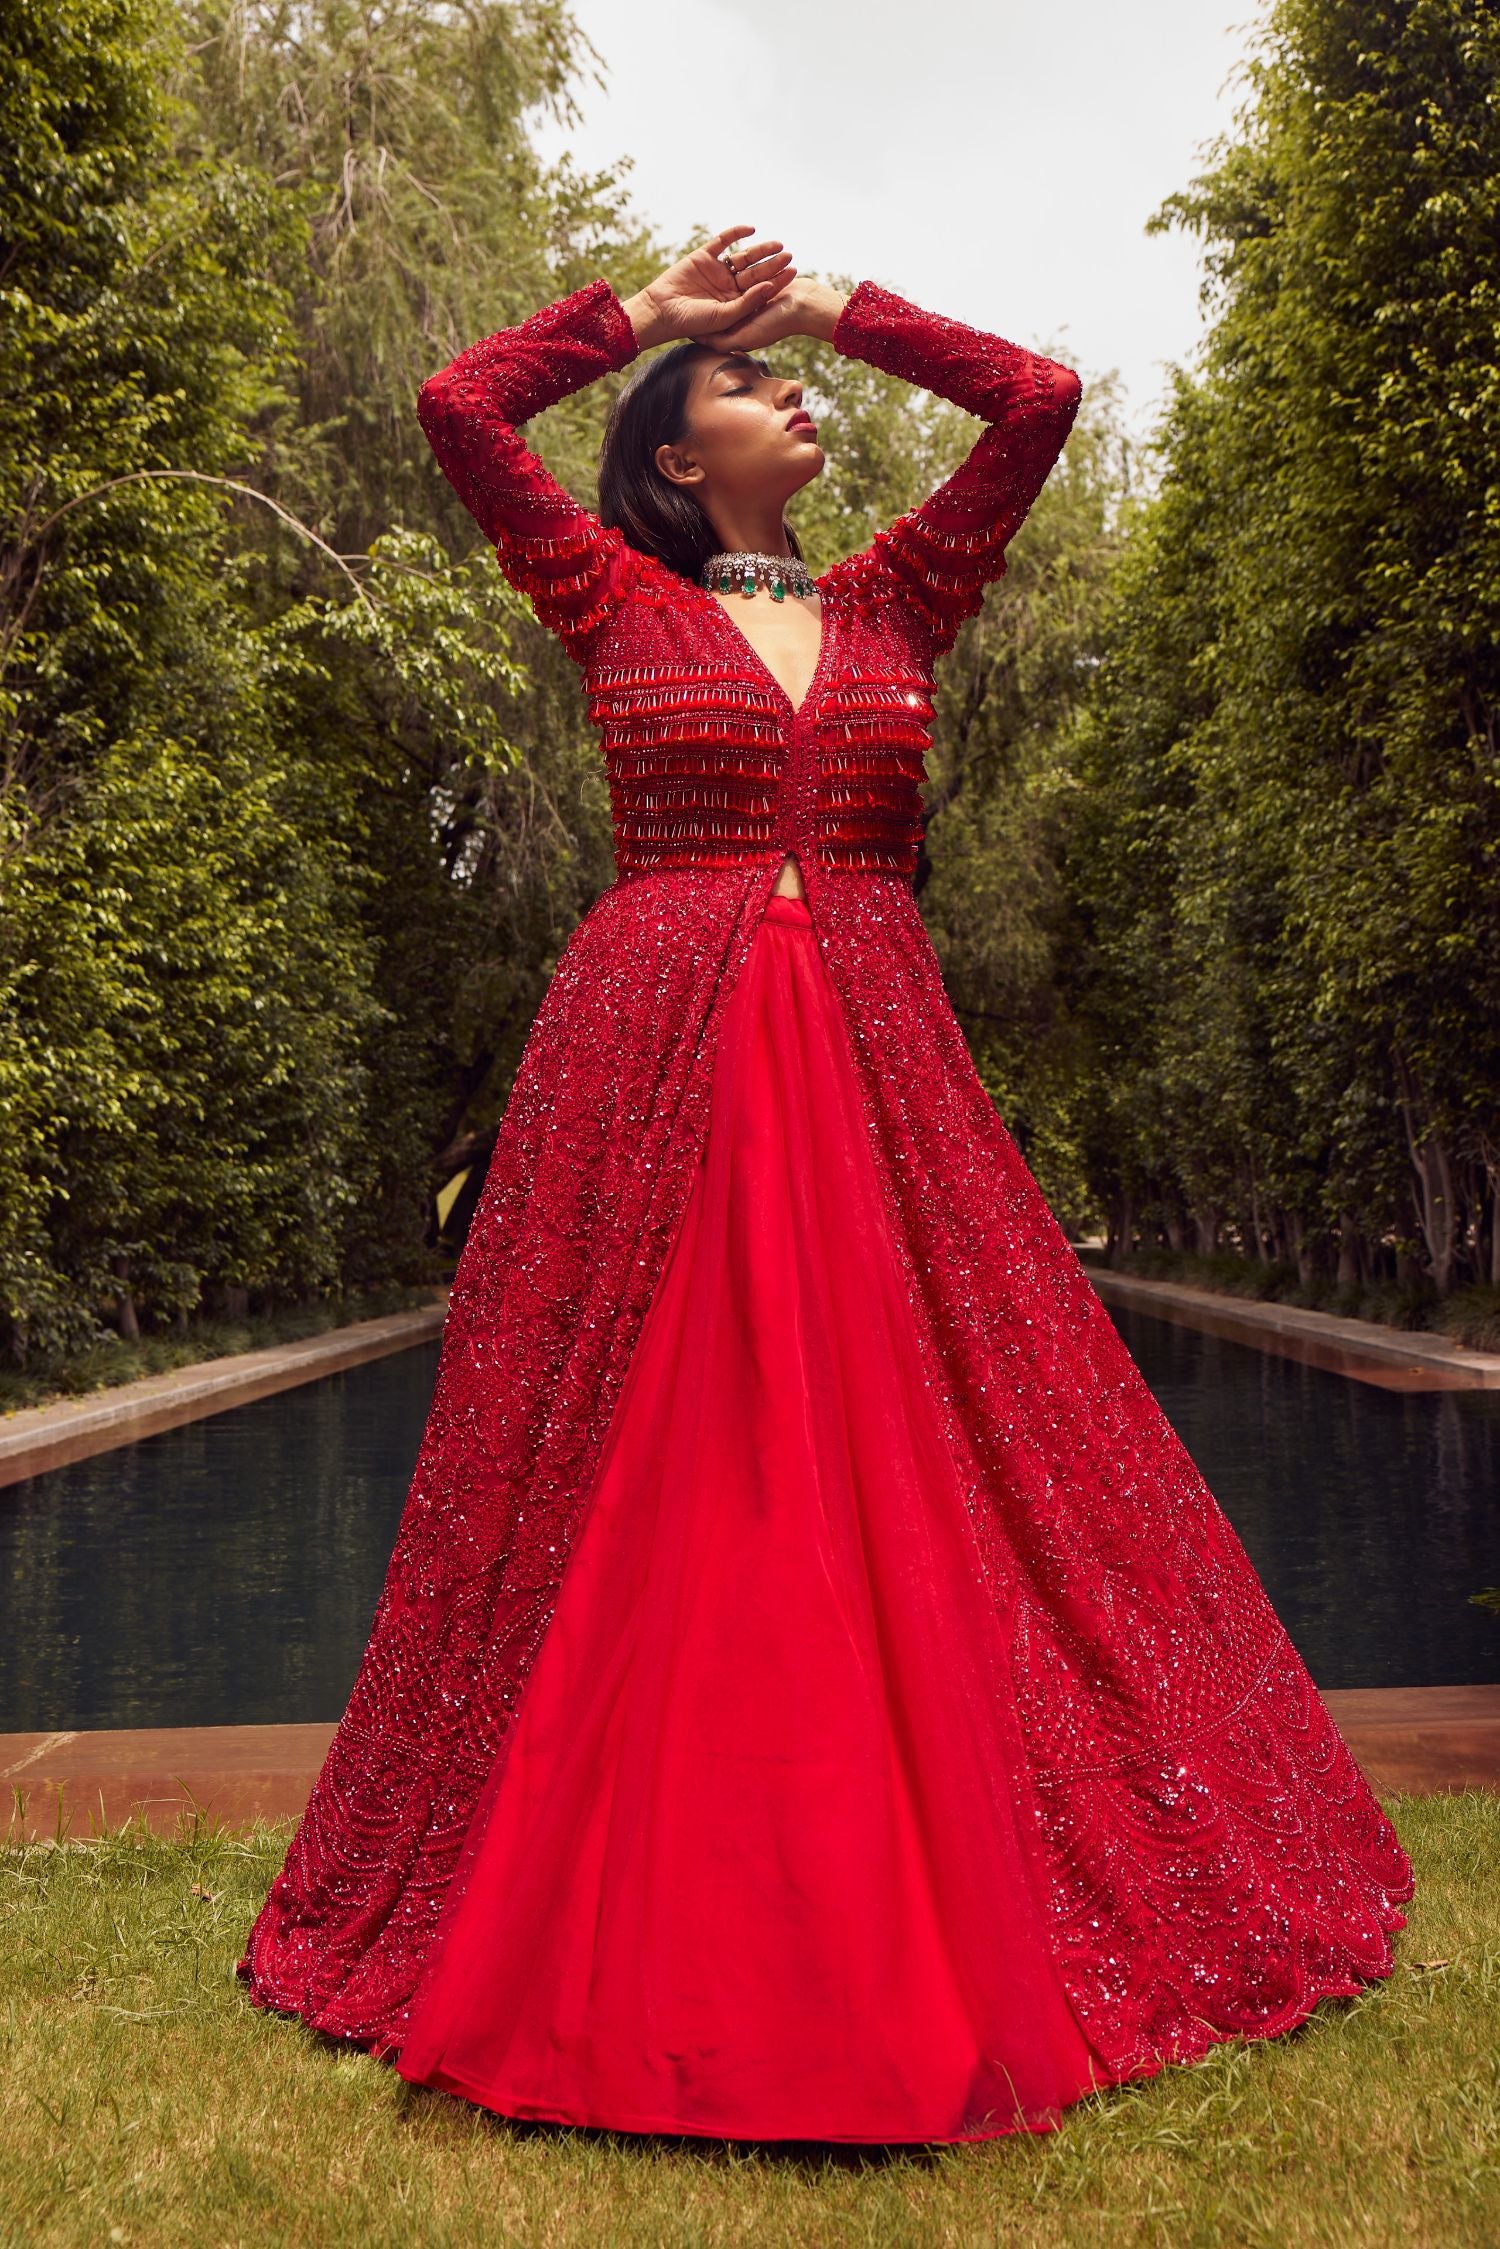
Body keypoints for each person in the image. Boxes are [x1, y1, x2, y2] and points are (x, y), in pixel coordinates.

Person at [237, 227, 1413, 2145]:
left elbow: (1035, 399)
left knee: (949, 1443)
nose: (794, 397)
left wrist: (836, 311)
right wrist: (649, 317)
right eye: (745, 389)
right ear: (677, 461)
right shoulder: (606, 594)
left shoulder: (895, 603)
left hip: (869, 1045)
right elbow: (459, 405)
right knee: (632, 1460)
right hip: (652, 1054)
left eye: (790, 379)